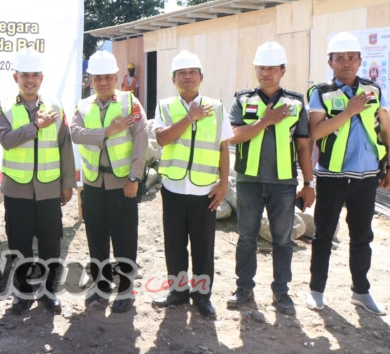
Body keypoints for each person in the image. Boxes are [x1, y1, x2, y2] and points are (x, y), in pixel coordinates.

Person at [226, 42, 314, 316]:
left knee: (283, 240)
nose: (266, 73)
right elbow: (234, 136)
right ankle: (244, 288)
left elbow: (302, 146)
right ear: (255, 69)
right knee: (246, 238)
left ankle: (281, 292)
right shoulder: (242, 100)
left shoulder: (296, 102)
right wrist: (266, 120)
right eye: (261, 68)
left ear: (282, 70)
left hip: (283, 185)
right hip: (249, 181)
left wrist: (309, 184)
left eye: (272, 68)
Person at [306, 31, 390, 315]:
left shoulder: (373, 90)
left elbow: (385, 128)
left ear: (360, 60)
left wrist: (388, 164)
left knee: (362, 236)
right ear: (330, 62)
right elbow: (316, 131)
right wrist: (350, 111)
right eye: (339, 58)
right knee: (324, 235)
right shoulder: (320, 92)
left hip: (367, 176)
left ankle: (361, 292)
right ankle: (316, 291)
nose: (345, 63)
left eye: (351, 58)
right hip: (332, 176)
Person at [0, 48, 76, 314]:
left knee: (51, 243)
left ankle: (48, 291)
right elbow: (6, 141)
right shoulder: (3, 106)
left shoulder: (56, 105)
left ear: (42, 77)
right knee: (18, 242)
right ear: (15, 77)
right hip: (17, 189)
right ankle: (23, 293)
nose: (29, 80)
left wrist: (67, 183)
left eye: (34, 76)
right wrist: (36, 126)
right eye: (24, 76)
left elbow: (64, 145)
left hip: (49, 187)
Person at [152, 50, 231, 319]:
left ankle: (202, 296)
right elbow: (162, 139)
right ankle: (178, 292)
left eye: (192, 72)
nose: (187, 77)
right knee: (174, 244)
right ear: (173, 79)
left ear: (201, 77)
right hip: (174, 189)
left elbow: (223, 147)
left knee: (203, 246)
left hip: (204, 191)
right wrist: (189, 117)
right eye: (181, 73)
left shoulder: (217, 107)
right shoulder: (164, 106)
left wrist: (223, 186)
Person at [70, 50, 146, 313]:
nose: (102, 83)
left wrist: (134, 178)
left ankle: (126, 289)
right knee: (96, 237)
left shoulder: (129, 103)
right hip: (93, 184)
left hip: (122, 183)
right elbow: (76, 134)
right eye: (97, 78)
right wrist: (108, 131)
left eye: (107, 77)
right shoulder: (83, 105)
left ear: (116, 77)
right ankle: (101, 285)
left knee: (125, 238)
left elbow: (141, 140)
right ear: (90, 80)